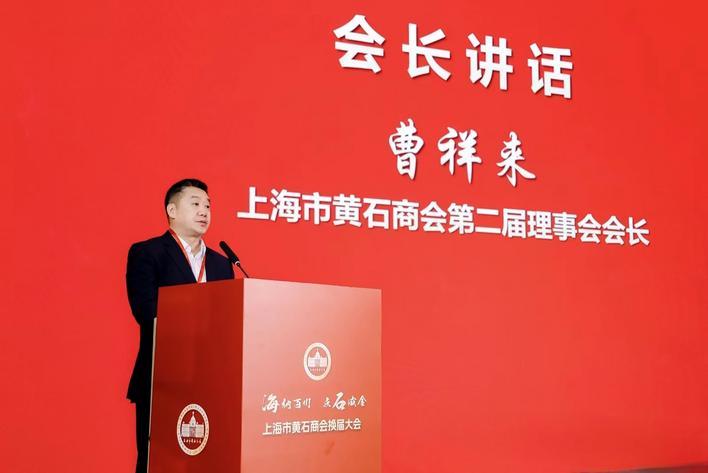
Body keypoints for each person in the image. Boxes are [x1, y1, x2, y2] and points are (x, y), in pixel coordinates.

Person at [125, 178, 234, 473]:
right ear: (172, 210)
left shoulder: (222, 263)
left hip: (212, 381)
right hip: (163, 377)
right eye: (195, 204)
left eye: (208, 206)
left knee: (207, 462)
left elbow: (228, 319)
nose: (204, 211)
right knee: (157, 461)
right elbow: (145, 310)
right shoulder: (148, 253)